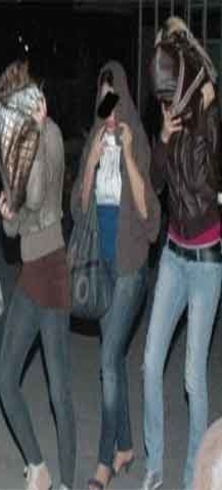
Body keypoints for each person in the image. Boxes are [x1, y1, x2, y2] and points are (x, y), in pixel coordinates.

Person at [70, 61, 160, 490]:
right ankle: (125, 446)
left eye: (114, 99)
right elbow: (78, 209)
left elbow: (151, 220)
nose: (108, 109)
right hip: (100, 266)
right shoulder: (94, 138)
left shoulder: (136, 138)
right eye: (102, 100)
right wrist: (91, 161)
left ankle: (104, 461)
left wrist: (126, 154)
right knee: (114, 361)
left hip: (129, 269)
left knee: (107, 360)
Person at [142, 16, 221, 490]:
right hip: (173, 256)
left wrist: (206, 117)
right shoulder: (168, 115)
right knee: (150, 362)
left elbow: (209, 182)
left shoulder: (209, 113)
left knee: (193, 376)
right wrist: (165, 138)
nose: (167, 100)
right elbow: (156, 183)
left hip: (207, 262)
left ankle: (194, 475)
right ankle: (155, 467)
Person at [0, 60, 75, 490]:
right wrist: (8, 216)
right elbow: (15, 227)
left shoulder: (52, 135)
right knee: (6, 378)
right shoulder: (18, 145)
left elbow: (41, 196)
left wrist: (40, 133)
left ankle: (66, 483)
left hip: (53, 270)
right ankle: (38, 467)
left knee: (59, 392)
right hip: (30, 272)